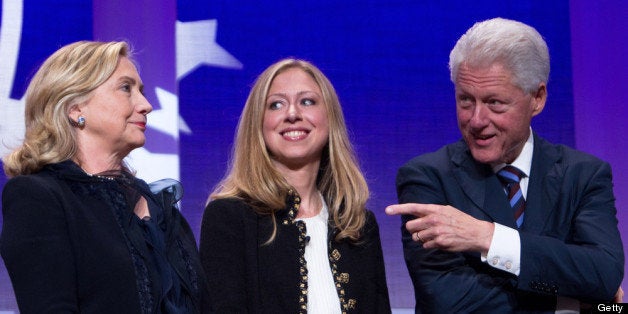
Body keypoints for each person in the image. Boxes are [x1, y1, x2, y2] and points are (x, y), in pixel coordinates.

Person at [386, 18, 624, 313]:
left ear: (537, 98)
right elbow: (450, 302)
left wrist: (488, 238)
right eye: (465, 100)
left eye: (494, 102)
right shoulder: (427, 177)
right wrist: (572, 300)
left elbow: (603, 274)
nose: (476, 120)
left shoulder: (583, 175)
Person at [1, 41, 208, 313]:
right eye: (126, 88)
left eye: (141, 91)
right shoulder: (38, 197)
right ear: (75, 108)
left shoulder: (161, 207)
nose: (146, 105)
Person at [199, 58, 391, 313]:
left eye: (307, 101)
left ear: (329, 118)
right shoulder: (228, 217)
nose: (292, 114)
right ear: (259, 124)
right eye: (276, 104)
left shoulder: (357, 224)